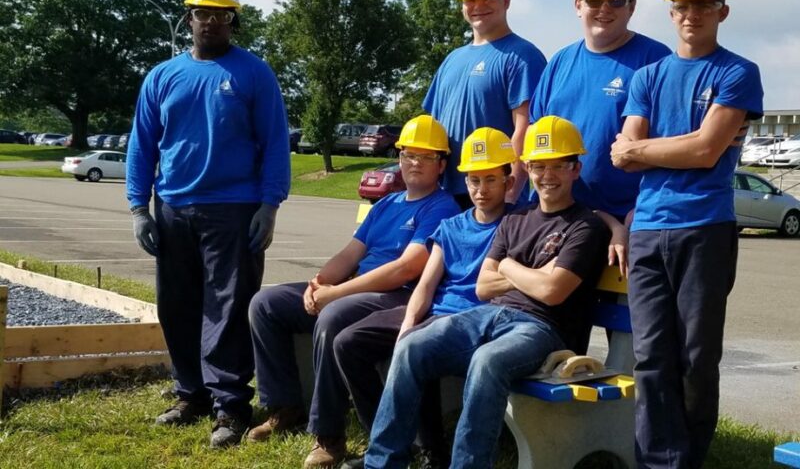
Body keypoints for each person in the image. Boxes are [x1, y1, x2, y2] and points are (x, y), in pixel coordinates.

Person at [366, 116, 610, 469]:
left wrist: (509, 266)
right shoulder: (516, 218)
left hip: (545, 330)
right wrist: (528, 273)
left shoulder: (585, 226)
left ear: (576, 169)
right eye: (539, 166)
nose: (547, 176)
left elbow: (553, 291)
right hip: (490, 313)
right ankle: (383, 462)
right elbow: (484, 284)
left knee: (487, 361)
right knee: (410, 346)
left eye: (559, 166)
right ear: (527, 167)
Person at [611, 0, 763, 468]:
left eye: (705, 4)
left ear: (723, 10)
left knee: (697, 359)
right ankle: (658, 460)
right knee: (653, 356)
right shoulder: (648, 76)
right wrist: (679, 145)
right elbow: (622, 153)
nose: (692, 14)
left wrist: (649, 149)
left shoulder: (740, 72)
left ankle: (687, 458)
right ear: (671, 12)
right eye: (683, 5)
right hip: (649, 229)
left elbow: (704, 152)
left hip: (706, 228)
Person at [125, 0, 290, 447]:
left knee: (228, 308)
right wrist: (139, 207)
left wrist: (269, 204)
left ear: (232, 20)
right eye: (203, 13)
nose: (211, 22)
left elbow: (275, 142)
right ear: (189, 17)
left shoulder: (253, 73)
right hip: (174, 207)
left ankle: (230, 405)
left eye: (221, 15)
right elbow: (142, 146)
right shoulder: (163, 76)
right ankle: (190, 393)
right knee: (177, 306)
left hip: (234, 209)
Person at [247, 115, 460, 469]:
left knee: (333, 315)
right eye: (408, 154)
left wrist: (336, 294)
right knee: (265, 304)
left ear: (441, 164)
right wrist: (318, 284)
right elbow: (349, 254)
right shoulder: (386, 205)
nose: (414, 163)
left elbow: (406, 268)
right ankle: (285, 406)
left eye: (425, 157)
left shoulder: (441, 207)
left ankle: (328, 435)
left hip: (398, 295)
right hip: (357, 288)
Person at [334, 127, 517, 469]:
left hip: (479, 321)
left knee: (420, 346)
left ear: (508, 180)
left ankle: (431, 451)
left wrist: (612, 227)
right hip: (436, 312)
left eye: (491, 179)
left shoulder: (519, 222)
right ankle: (391, 441)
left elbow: (570, 216)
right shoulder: (452, 226)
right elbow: (427, 284)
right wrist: (408, 322)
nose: (481, 189)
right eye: (474, 180)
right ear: (464, 180)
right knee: (350, 342)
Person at [530, 0, 671, 273]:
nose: (604, 9)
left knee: (627, 323)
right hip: (565, 221)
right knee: (557, 320)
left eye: (616, 0)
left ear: (632, 4)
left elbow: (672, 140)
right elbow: (536, 144)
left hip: (632, 225)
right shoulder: (560, 63)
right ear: (577, 5)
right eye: (594, 0)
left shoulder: (656, 60)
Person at [423, 0, 547, 209]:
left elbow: (525, 130)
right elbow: (432, 130)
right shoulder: (452, 59)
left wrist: (510, 192)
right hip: (446, 195)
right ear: (462, 6)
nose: (479, 5)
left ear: (507, 1)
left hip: (493, 198)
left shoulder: (523, 56)